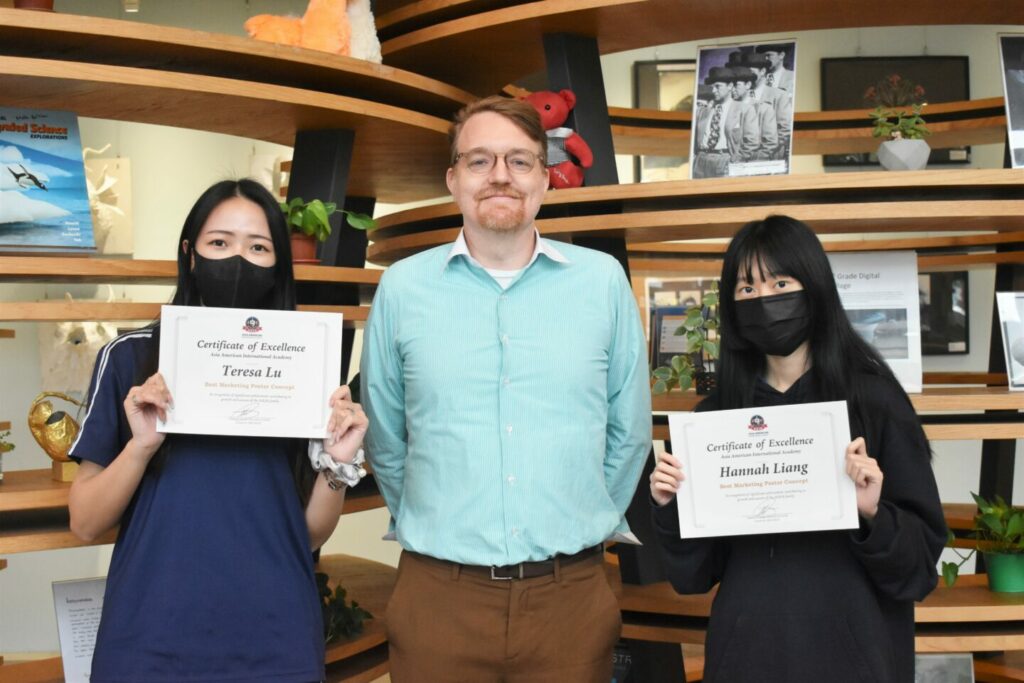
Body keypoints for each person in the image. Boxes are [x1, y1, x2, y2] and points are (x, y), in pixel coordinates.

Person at [361, 95, 651, 682]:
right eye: (480, 160)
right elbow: (385, 437)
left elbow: (629, 431)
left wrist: (581, 519)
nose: (500, 175)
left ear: (544, 179)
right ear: (453, 180)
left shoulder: (602, 282)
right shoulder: (402, 288)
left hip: (570, 599)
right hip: (439, 598)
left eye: (520, 161)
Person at [68, 178, 367, 682]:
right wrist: (141, 447)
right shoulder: (130, 358)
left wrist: (336, 467)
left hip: (276, 642)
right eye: (220, 243)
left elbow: (306, 533)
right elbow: (84, 522)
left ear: (278, 266)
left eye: (259, 247)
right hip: (149, 639)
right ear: (190, 254)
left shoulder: (303, 365)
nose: (238, 260)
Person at [649, 215, 946, 683]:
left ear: (815, 287)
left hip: (855, 663)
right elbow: (693, 578)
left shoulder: (875, 402)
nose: (764, 299)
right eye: (747, 288)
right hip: (744, 659)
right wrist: (671, 507)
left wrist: (873, 513)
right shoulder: (713, 421)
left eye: (781, 283)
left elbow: (918, 571)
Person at [693, 66, 759, 178]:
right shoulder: (703, 111)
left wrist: (736, 160)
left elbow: (752, 142)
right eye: (712, 87)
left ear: (730, 86)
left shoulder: (744, 109)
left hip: (725, 161)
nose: (713, 90)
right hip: (700, 161)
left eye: (717, 86)